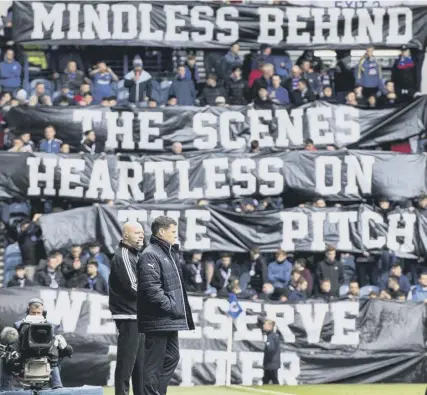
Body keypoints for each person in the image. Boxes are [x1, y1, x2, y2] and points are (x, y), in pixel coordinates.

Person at [137, 216, 194, 395]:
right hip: (157, 319)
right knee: (153, 364)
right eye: (173, 232)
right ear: (161, 232)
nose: (175, 236)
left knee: (172, 357)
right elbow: (152, 290)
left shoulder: (167, 253)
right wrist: (172, 306)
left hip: (168, 319)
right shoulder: (150, 254)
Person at [0, 298, 72, 391]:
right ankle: (5, 390)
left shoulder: (51, 327)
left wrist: (64, 346)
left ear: (43, 312)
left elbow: (68, 352)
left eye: (38, 313)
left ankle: (57, 386)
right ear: (28, 311)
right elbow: (14, 345)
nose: (36, 315)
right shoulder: (19, 326)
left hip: (48, 360)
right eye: (33, 313)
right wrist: (11, 354)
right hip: (23, 359)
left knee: (55, 361)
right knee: (7, 362)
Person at [109, 222, 145, 395]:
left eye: (142, 233)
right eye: (137, 232)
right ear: (125, 236)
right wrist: (156, 296)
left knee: (140, 366)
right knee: (126, 365)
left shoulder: (136, 256)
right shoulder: (123, 255)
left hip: (139, 316)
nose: (141, 235)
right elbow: (133, 287)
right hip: (129, 316)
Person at [262, 319, 280, 385]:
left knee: (273, 380)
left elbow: (271, 349)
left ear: (270, 326)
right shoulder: (272, 335)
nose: (263, 326)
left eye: (265, 324)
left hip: (271, 364)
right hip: (272, 364)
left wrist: (268, 361)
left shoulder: (271, 336)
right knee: (266, 380)